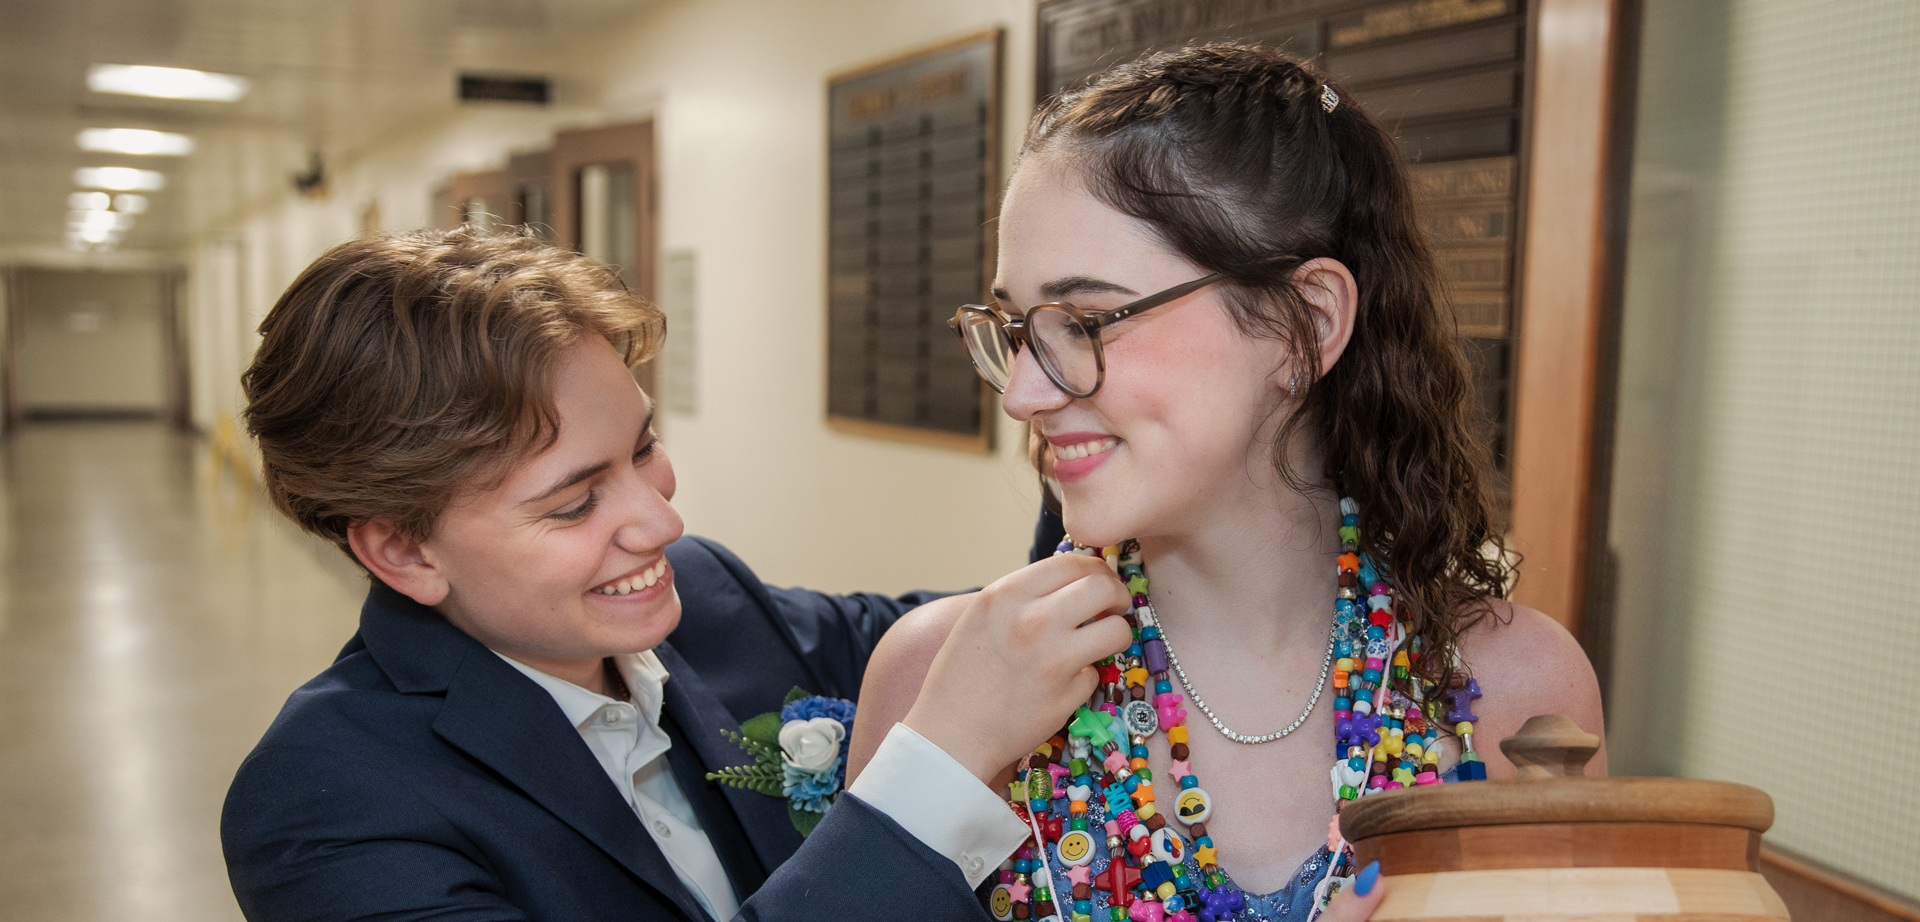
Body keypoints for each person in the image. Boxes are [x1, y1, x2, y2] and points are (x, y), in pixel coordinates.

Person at [847, 44, 1604, 922]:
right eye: (1016, 328)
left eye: (1086, 320)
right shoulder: (937, 685)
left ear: (1304, 324)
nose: (1022, 392)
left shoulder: (1514, 691)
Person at [220, 229, 1137, 922]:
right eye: (574, 503)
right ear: (403, 551)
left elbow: (988, 639)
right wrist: (932, 775)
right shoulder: (325, 806)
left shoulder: (703, 596)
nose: (663, 521)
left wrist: (1092, 449)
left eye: (644, 447)